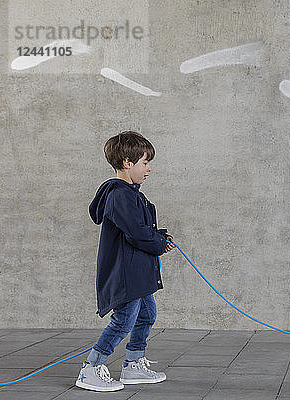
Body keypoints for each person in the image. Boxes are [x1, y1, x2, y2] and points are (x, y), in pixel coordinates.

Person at [76, 131, 175, 392]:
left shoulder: (131, 193)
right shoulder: (120, 195)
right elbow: (136, 232)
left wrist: (160, 237)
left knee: (147, 314)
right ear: (128, 163)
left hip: (138, 271)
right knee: (124, 321)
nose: (149, 168)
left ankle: (133, 364)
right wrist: (158, 244)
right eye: (144, 162)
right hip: (126, 273)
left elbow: (140, 228)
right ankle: (91, 368)